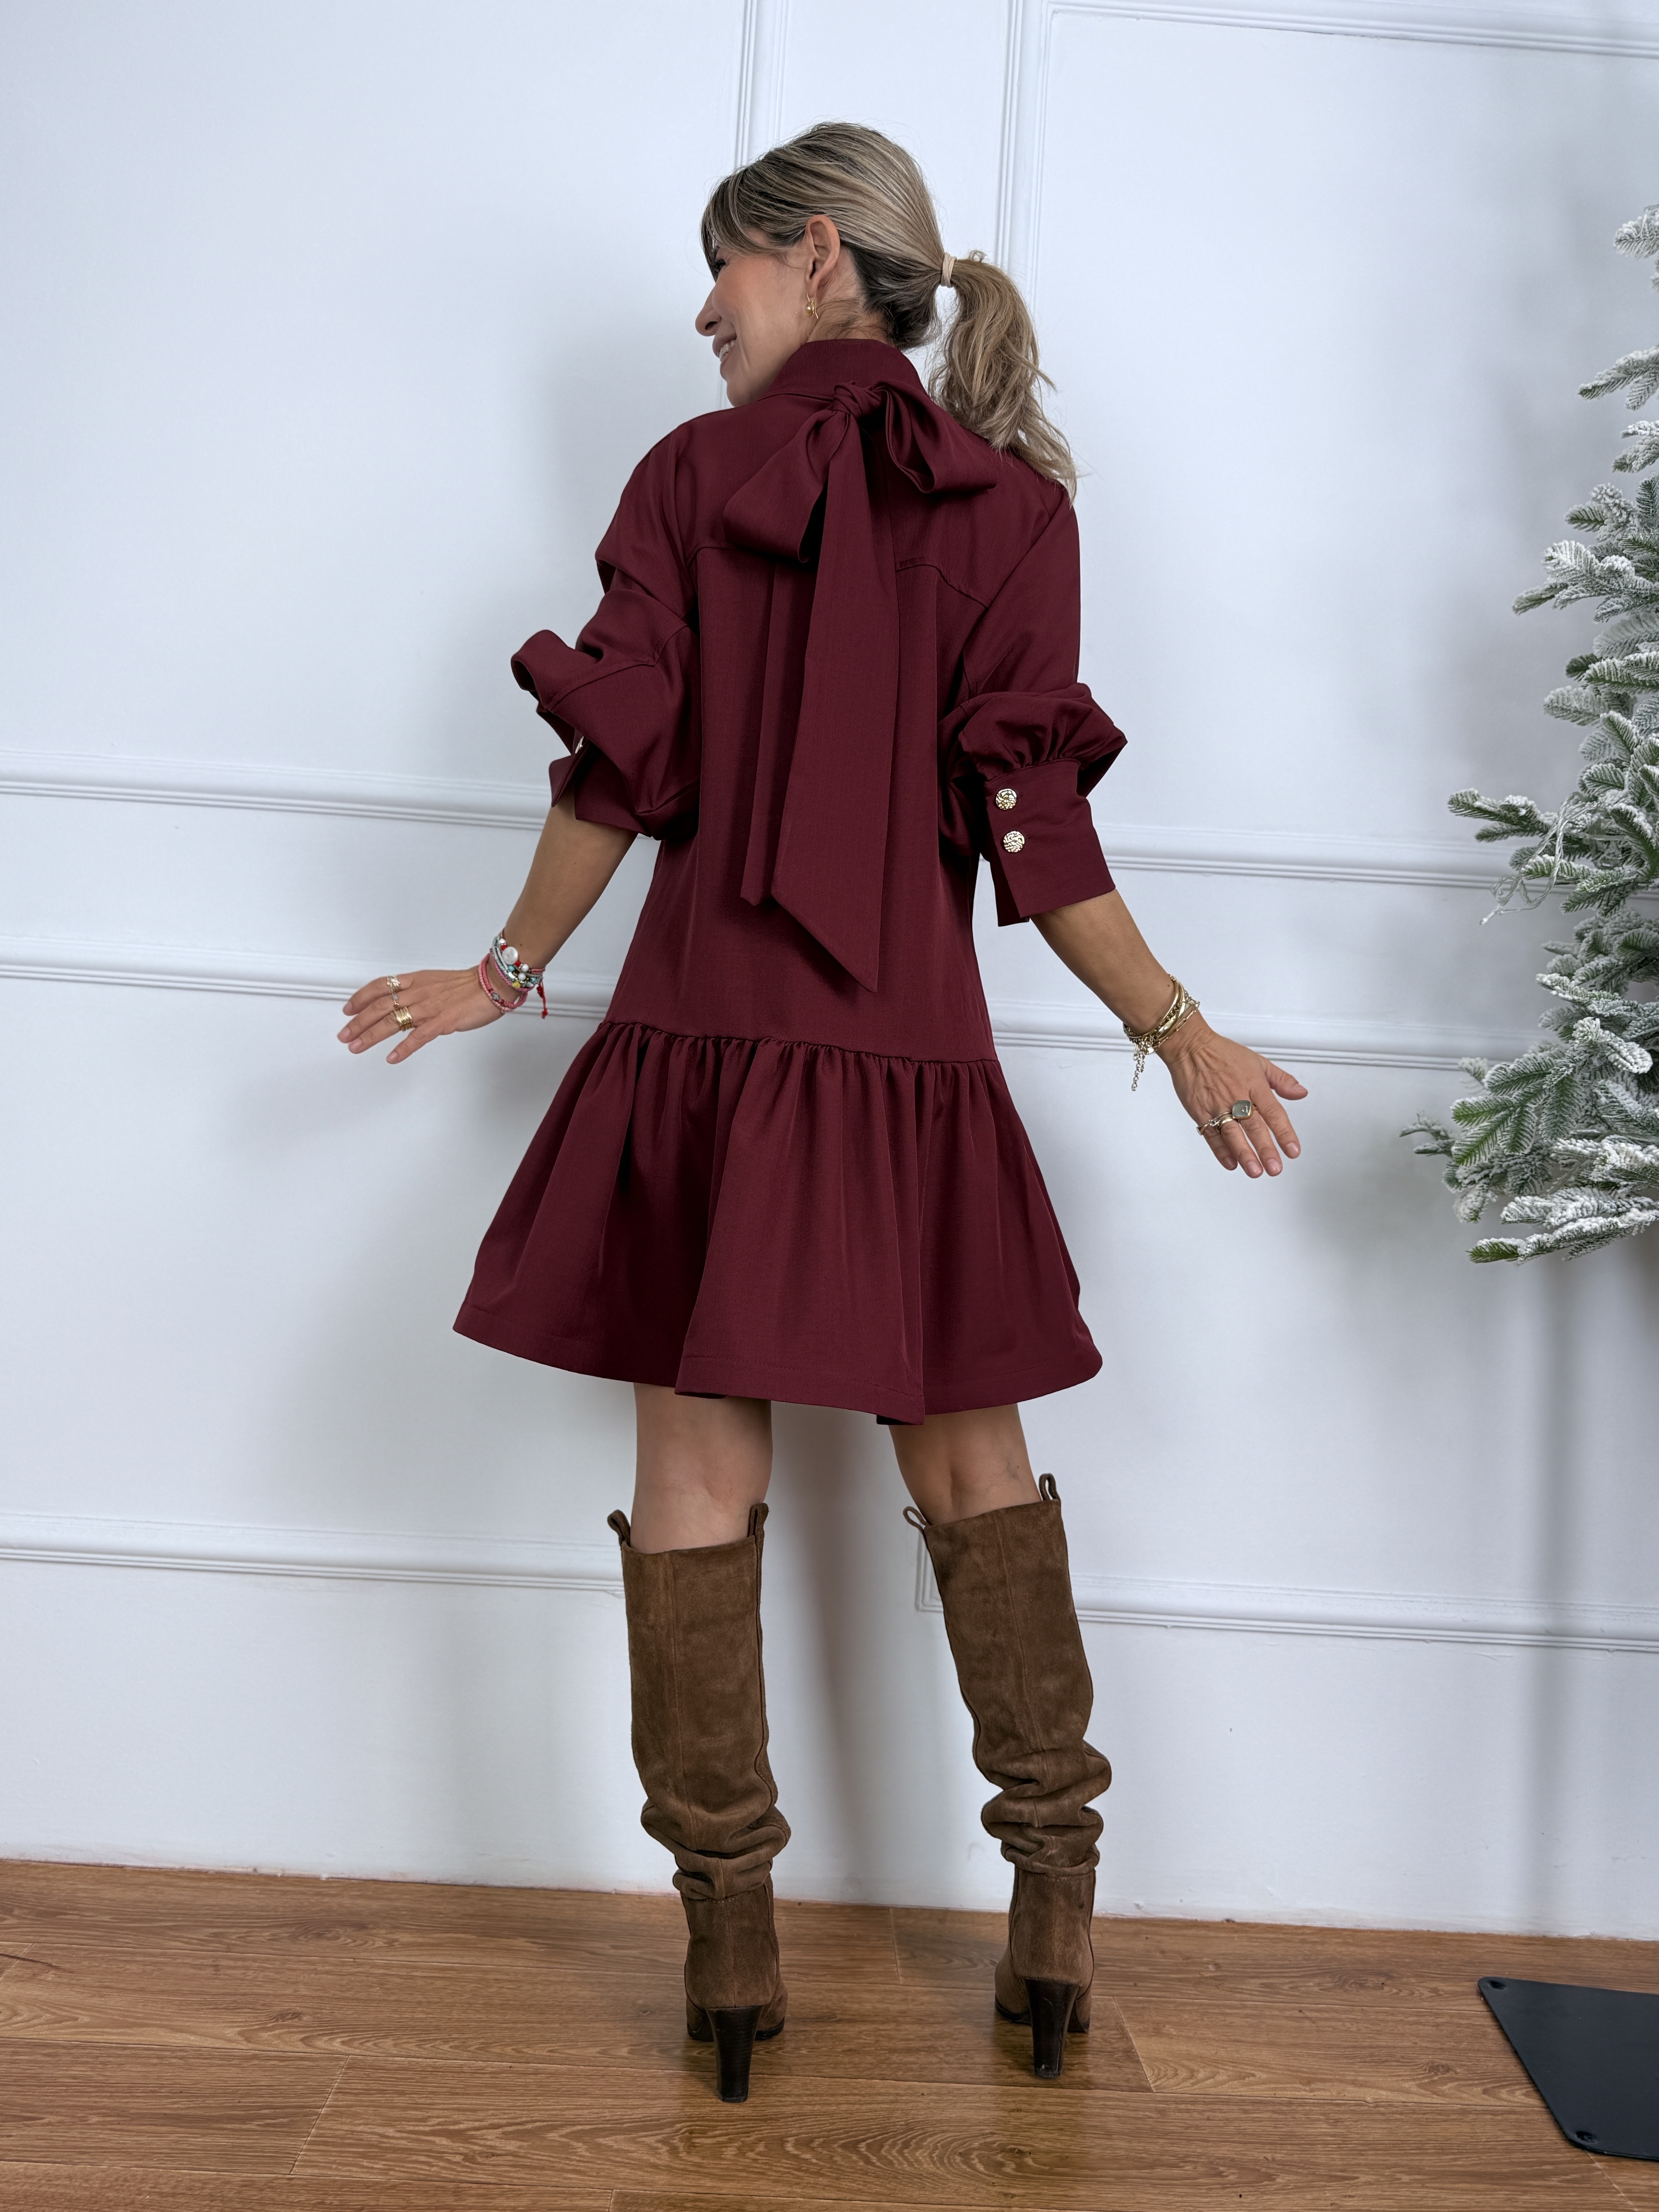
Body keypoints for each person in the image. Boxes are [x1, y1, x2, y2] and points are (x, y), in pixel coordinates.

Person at [339, 122, 1306, 2102]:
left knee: (698, 1489)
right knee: (979, 1476)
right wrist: (1182, 1030)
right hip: (907, 1071)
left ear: (812, 256)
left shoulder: (689, 478)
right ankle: (1054, 1913)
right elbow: (1036, 835)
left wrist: (505, 974)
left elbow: (616, 776)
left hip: (701, 1051)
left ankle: (731, 1957)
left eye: (724, 264)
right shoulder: (1016, 511)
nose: (702, 310)